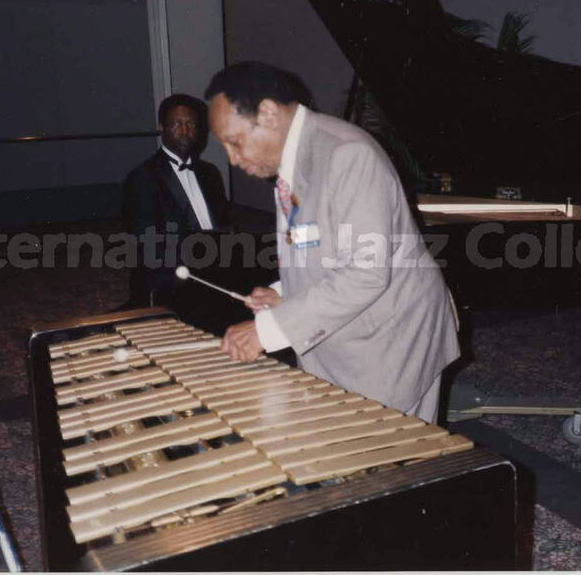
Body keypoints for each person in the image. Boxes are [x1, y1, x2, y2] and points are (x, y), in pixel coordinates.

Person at [204, 62, 459, 423]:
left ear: (268, 113)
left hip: (392, 336)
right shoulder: (297, 154)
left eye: (234, 141)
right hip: (358, 326)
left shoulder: (346, 155)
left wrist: (269, 331)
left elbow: (364, 274)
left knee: (394, 457)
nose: (232, 158)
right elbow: (317, 240)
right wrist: (285, 291)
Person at [122, 93, 273, 331]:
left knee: (273, 264)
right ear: (162, 128)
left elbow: (225, 214)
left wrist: (266, 226)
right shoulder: (143, 178)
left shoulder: (209, 172)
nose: (185, 130)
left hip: (216, 260)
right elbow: (147, 240)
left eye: (191, 124)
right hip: (174, 269)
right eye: (177, 124)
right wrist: (205, 254)